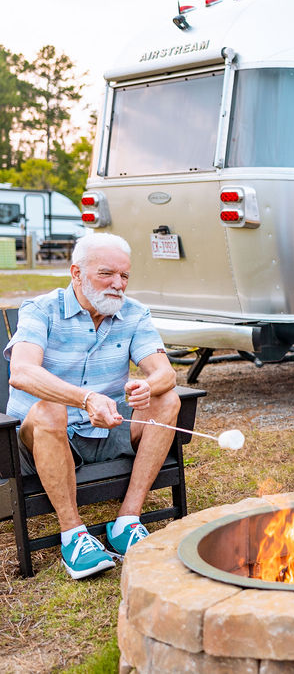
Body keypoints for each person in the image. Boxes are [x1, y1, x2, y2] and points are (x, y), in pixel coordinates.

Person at [5, 234, 181, 579]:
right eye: (106, 274)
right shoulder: (42, 310)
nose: (118, 284)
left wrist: (147, 385)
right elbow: (22, 371)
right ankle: (74, 536)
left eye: (125, 276)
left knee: (168, 400)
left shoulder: (134, 314)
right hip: (43, 439)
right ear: (76, 273)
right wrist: (85, 399)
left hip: (108, 428)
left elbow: (165, 373)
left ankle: (127, 522)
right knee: (51, 408)